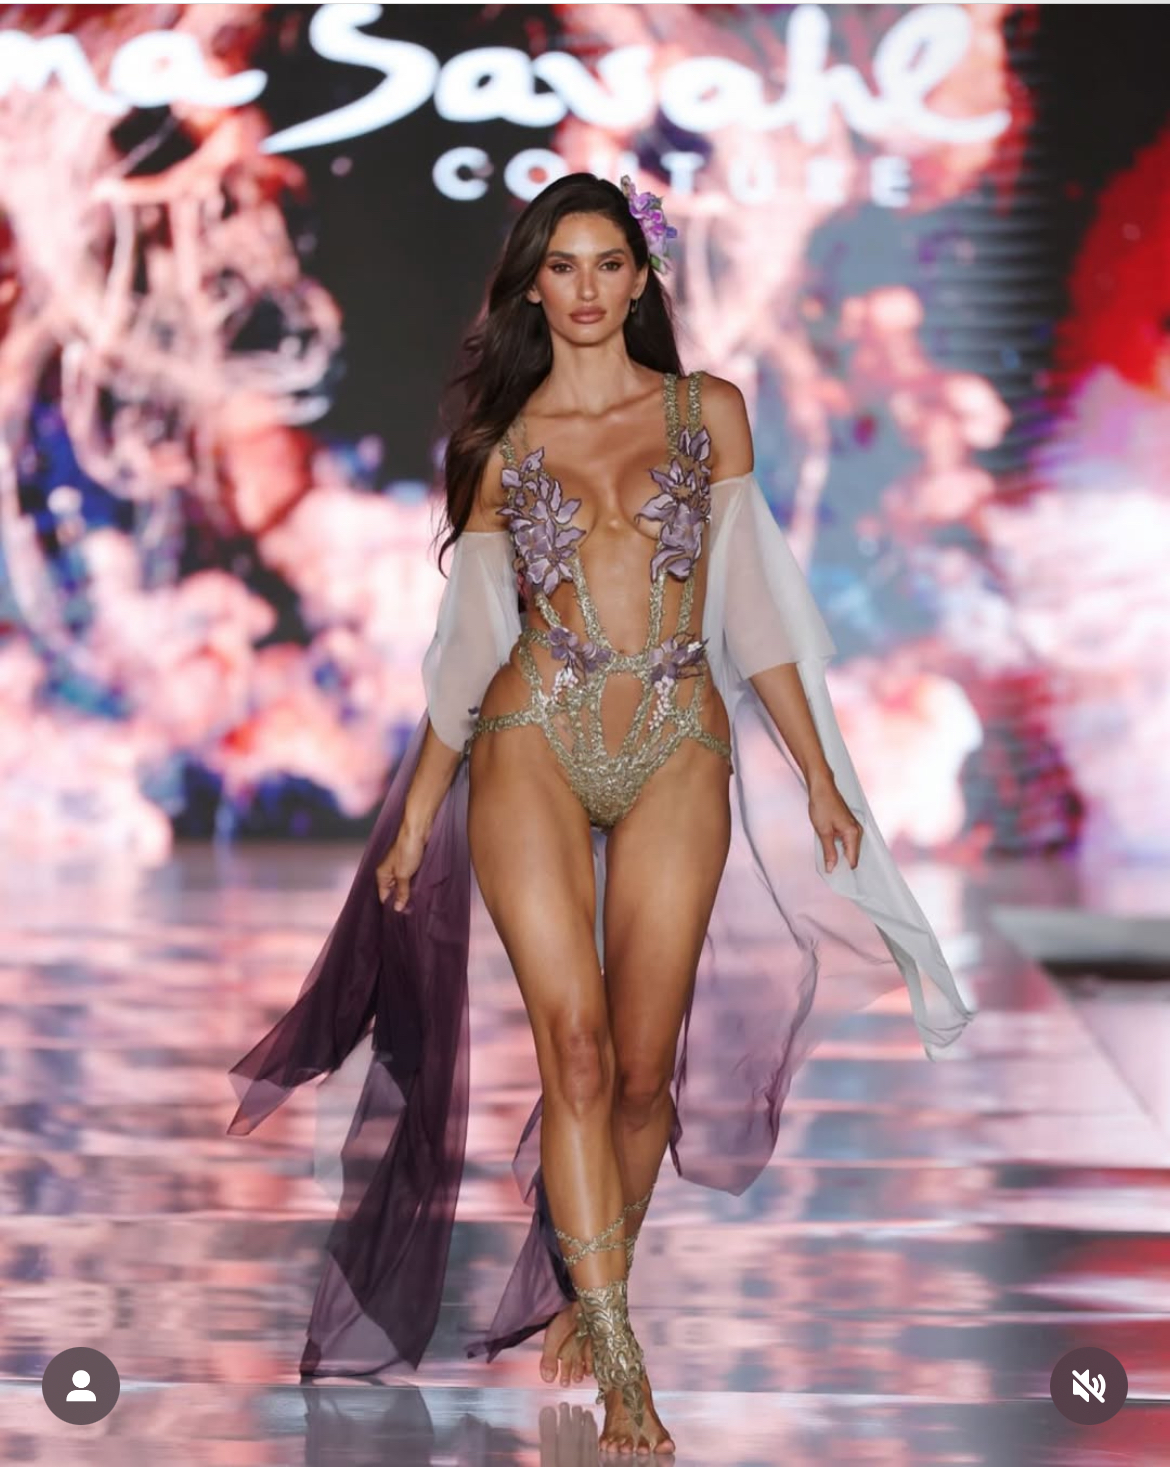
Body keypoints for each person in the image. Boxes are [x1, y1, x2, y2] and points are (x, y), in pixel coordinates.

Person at [227, 173, 975, 1456]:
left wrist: (817, 770)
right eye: (561, 266)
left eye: (607, 264)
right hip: (533, 733)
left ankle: (590, 1278)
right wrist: (416, 810)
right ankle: (622, 1357)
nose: (584, 288)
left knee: (640, 1074)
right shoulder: (501, 445)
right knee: (571, 1051)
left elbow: (756, 607)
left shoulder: (707, 413)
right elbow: (469, 646)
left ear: (641, 280)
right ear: (533, 285)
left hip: (679, 736)